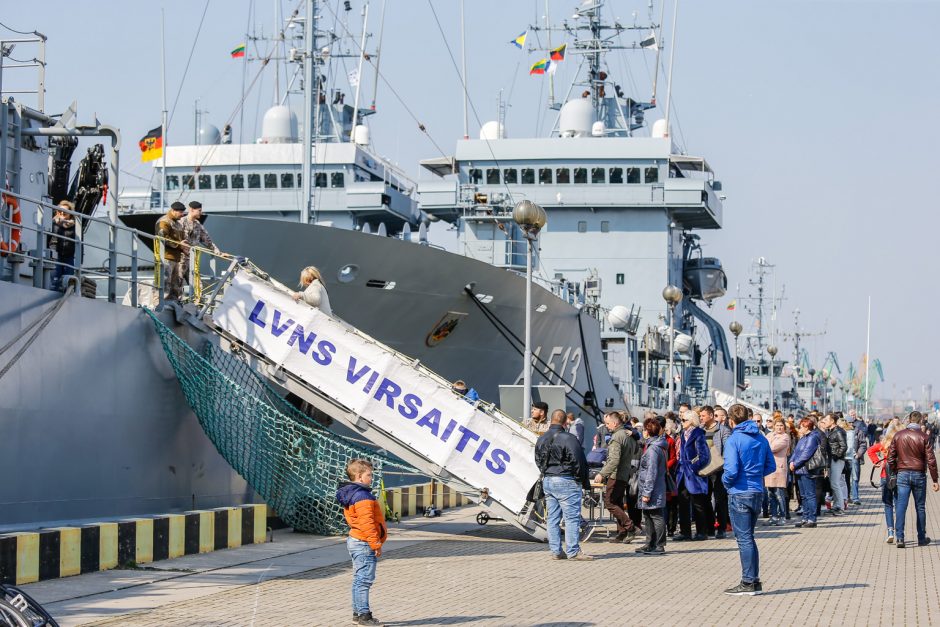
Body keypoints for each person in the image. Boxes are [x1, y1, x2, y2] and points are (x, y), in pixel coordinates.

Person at [723, 404, 775, 596]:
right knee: (749, 538)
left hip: (739, 491)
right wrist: (755, 474)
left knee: (744, 539)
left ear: (731, 420)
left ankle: (747, 582)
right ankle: (754, 580)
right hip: (757, 490)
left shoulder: (734, 439)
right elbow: (770, 465)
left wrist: (726, 482)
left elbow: (731, 470)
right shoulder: (761, 438)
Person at [535, 409, 593, 560]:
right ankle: (573, 551)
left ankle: (556, 551)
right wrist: (581, 481)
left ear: (552, 420)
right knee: (571, 518)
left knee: (552, 518)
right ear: (565, 422)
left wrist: (547, 472)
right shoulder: (569, 438)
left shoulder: (541, 439)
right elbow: (579, 461)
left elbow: (537, 460)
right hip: (566, 480)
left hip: (548, 479)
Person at [335, 459, 387, 626]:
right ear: (358, 476)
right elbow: (367, 524)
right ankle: (364, 616)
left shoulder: (352, 493)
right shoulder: (362, 496)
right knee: (364, 580)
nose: (371, 478)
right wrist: (375, 544)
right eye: (369, 475)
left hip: (356, 540)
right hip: (364, 543)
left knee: (359, 579)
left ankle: (358, 613)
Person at [887, 411, 939, 548]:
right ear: (921, 421)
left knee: (901, 507)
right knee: (920, 507)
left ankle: (900, 538)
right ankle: (921, 538)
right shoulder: (924, 437)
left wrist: (894, 470)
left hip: (902, 474)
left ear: (909, 419)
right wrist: (935, 479)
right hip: (919, 474)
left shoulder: (899, 435)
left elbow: (890, 457)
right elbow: (931, 460)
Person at [593, 411, 640, 543]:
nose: (606, 426)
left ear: (614, 423)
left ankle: (630, 526)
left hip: (616, 475)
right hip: (625, 474)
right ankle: (622, 532)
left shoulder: (616, 437)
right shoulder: (628, 435)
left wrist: (602, 474)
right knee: (617, 502)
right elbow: (636, 450)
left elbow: (613, 460)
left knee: (609, 503)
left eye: (607, 424)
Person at [674, 409, 711, 541]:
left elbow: (704, 456)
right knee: (683, 503)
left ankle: (702, 532)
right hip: (683, 474)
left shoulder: (698, 434)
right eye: (681, 420)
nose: (681, 422)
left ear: (691, 421)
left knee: (698, 504)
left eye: (684, 420)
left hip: (694, 475)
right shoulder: (684, 434)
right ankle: (685, 532)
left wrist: (693, 467)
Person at [636, 418, 669, 555]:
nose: (642, 432)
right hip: (650, 487)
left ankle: (659, 545)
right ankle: (649, 543)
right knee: (648, 515)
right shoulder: (653, 446)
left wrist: (647, 492)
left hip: (652, 488)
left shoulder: (653, 449)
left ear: (648, 431)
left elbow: (652, 471)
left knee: (656, 516)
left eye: (644, 429)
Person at [701, 405, 731, 538]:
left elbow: (727, 451)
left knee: (720, 500)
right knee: (705, 499)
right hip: (704, 470)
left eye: (703, 415)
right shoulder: (700, 430)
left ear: (711, 416)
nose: (701, 418)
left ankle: (722, 528)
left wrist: (720, 464)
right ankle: (709, 527)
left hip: (719, 470)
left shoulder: (723, 430)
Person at [789, 418, 825, 528]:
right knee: (803, 496)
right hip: (800, 469)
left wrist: (795, 464)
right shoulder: (804, 437)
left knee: (810, 495)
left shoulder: (812, 437)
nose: (799, 429)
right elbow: (796, 451)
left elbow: (806, 454)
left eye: (801, 427)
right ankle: (805, 517)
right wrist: (791, 461)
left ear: (806, 427)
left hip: (807, 469)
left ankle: (812, 519)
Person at [868, 423, 900, 543]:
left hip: (884, 476)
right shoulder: (901, 444)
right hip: (898, 475)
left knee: (888, 504)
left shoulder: (884, 444)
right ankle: (899, 531)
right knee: (898, 504)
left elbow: (870, 450)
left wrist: (877, 462)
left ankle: (890, 531)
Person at [155, 202, 189, 302]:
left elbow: (181, 240)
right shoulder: (164, 221)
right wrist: (180, 245)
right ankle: (159, 305)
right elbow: (162, 237)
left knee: (175, 285)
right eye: (180, 212)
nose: (182, 214)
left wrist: (184, 248)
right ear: (173, 211)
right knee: (164, 283)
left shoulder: (178, 224)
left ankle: (172, 304)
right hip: (165, 257)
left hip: (176, 258)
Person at [180, 201, 219, 285]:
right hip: (180, 260)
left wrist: (217, 251)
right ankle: (175, 298)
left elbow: (207, 240)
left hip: (193, 260)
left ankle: (198, 298)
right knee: (176, 284)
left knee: (197, 286)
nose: (201, 213)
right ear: (191, 210)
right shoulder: (181, 222)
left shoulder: (198, 224)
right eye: (199, 210)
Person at [819, 414, 847, 516]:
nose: (824, 421)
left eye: (826, 419)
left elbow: (844, 446)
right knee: (833, 483)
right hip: (832, 459)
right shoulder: (831, 431)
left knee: (835, 483)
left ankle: (840, 507)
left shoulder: (838, 431)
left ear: (832, 421)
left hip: (837, 460)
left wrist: (836, 456)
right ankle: (836, 506)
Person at [765, 418, 790, 525]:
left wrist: (768, 443)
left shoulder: (785, 437)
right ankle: (774, 516)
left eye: (781, 425)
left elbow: (772, 448)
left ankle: (783, 516)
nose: (779, 427)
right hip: (769, 468)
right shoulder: (770, 435)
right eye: (777, 425)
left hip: (779, 467)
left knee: (779, 494)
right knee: (771, 494)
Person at [49, 200, 77, 291]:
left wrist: (79, 261)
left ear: (70, 214)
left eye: (65, 212)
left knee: (68, 282)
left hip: (69, 257)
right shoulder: (53, 223)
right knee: (55, 280)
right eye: (59, 211)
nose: (62, 213)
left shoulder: (75, 226)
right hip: (56, 255)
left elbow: (80, 243)